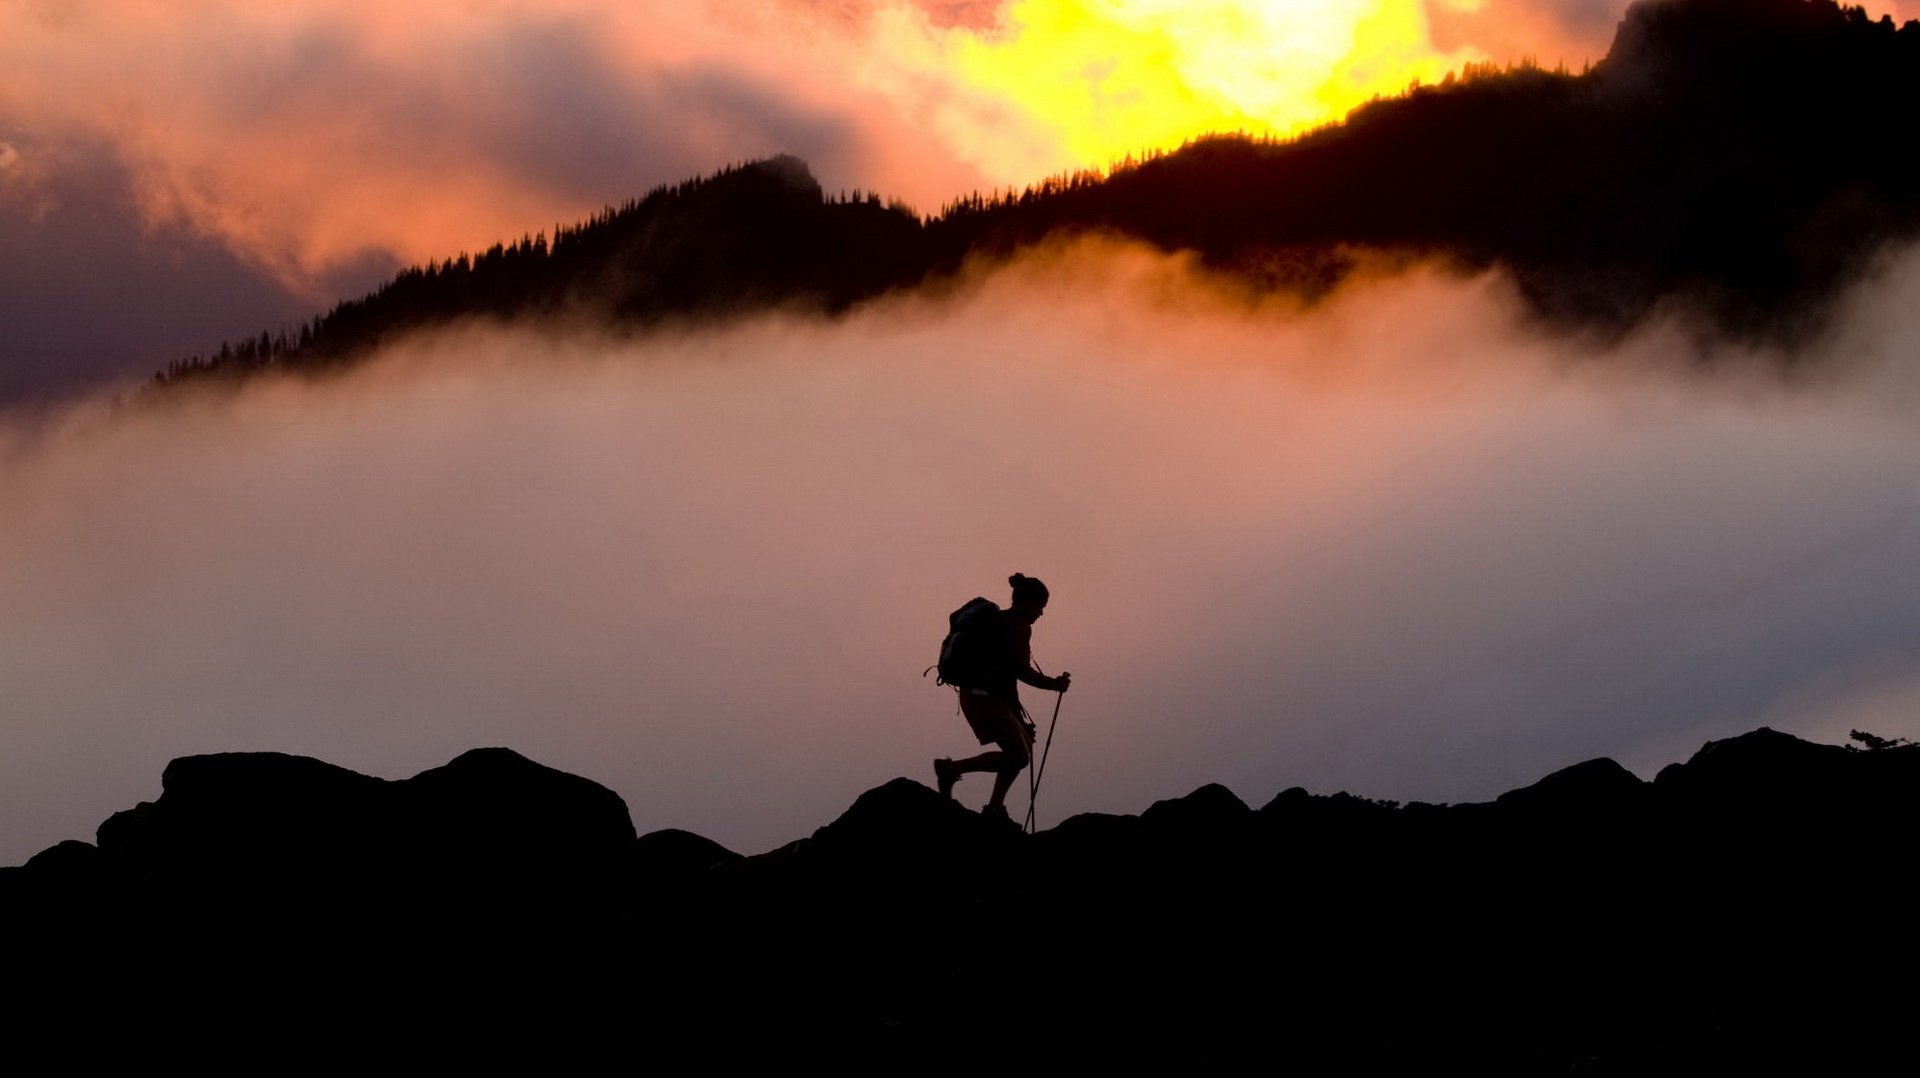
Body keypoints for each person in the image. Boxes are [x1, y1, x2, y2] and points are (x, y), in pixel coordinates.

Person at [934, 573, 1071, 822]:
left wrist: (1018, 718)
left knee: (1023, 746)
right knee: (1018, 756)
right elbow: (1021, 671)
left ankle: (995, 807)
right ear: (1028, 603)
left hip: (980, 696)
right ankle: (951, 769)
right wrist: (1055, 684)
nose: (1041, 613)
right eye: (1040, 607)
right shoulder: (1017, 626)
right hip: (984, 699)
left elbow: (1007, 675)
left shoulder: (1001, 622)